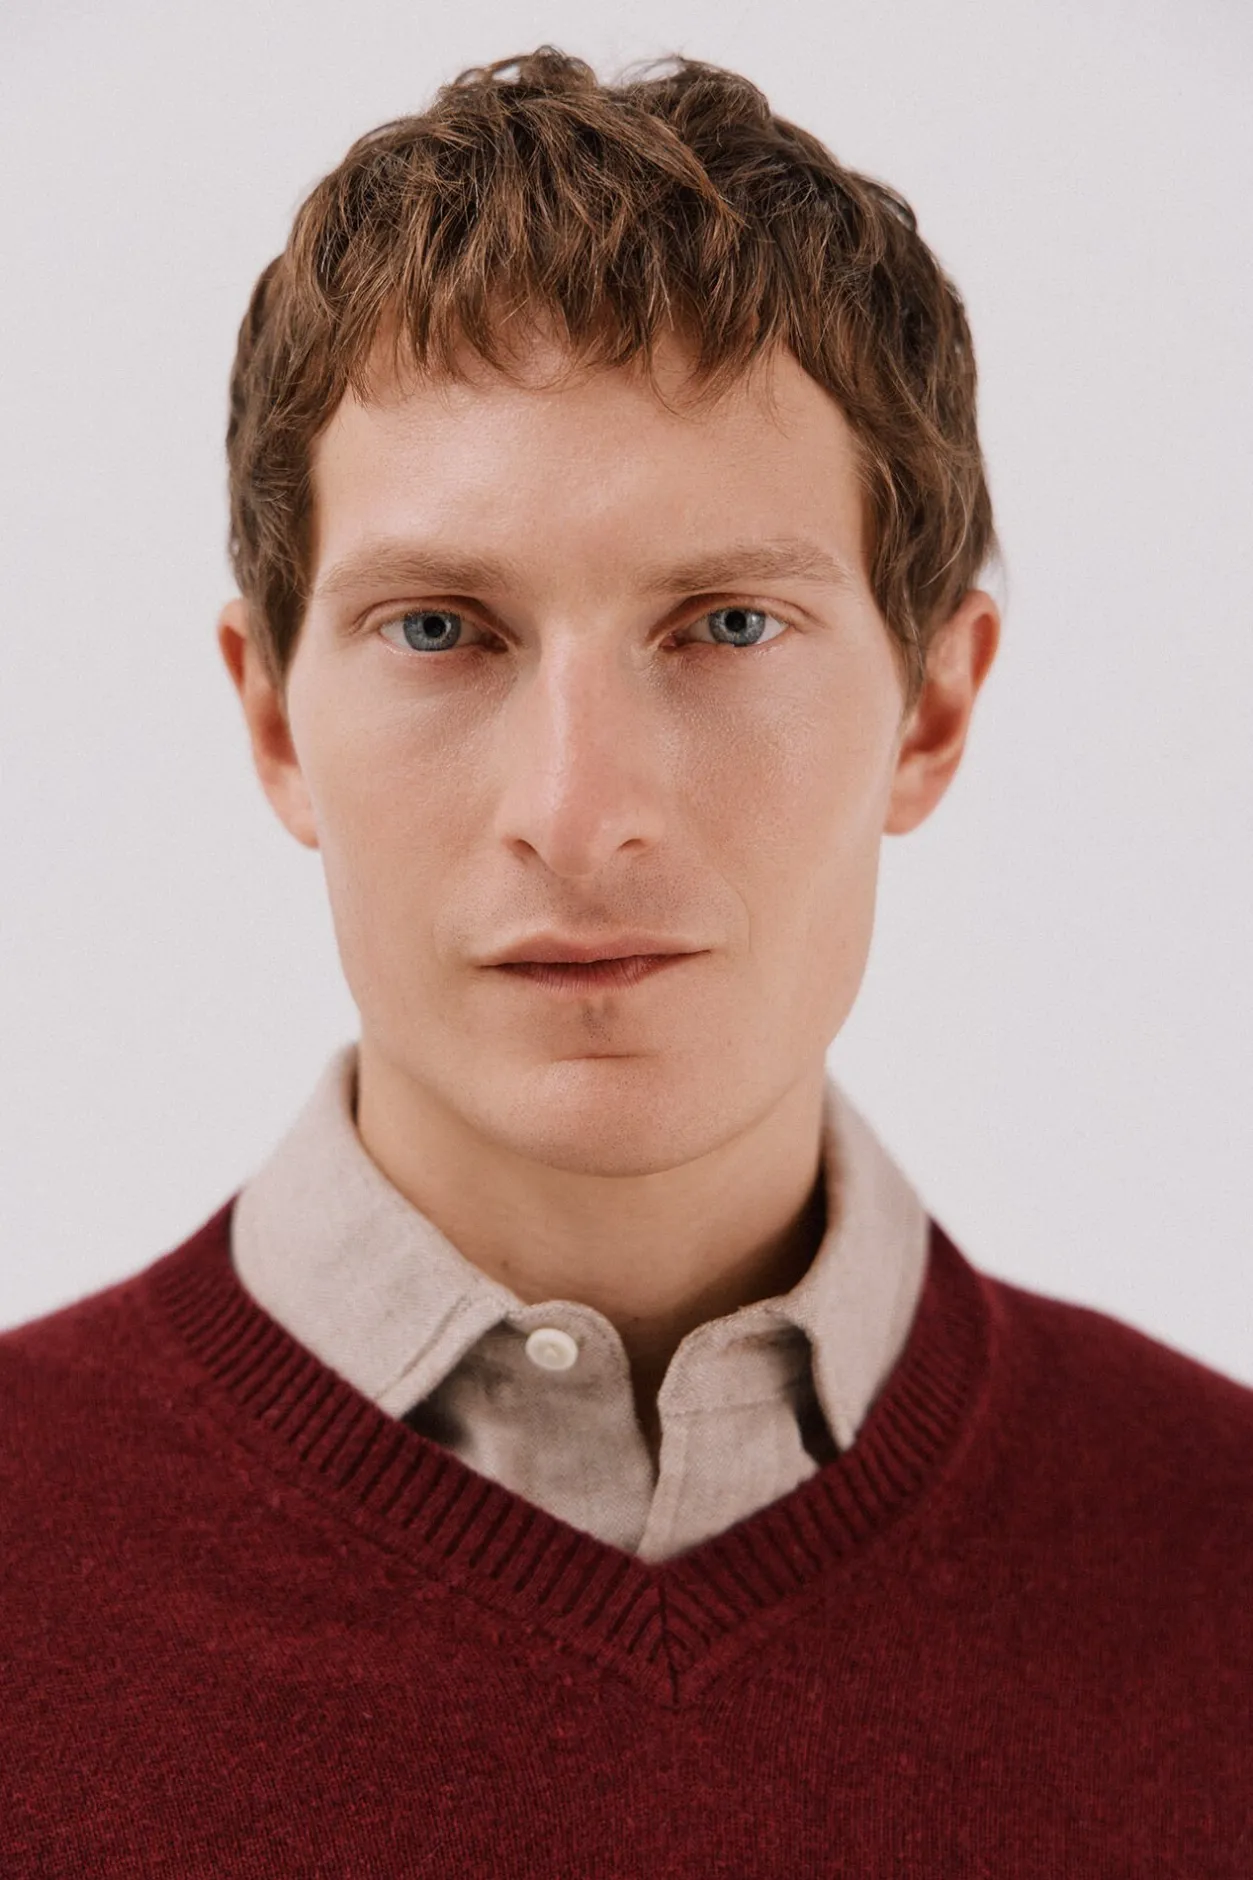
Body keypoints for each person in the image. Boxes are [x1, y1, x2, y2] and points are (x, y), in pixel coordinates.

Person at [3, 45, 1249, 1876]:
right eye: (442, 629)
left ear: (933, 707)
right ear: (273, 722)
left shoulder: (1220, 1565)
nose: (580, 816)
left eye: (728, 624)